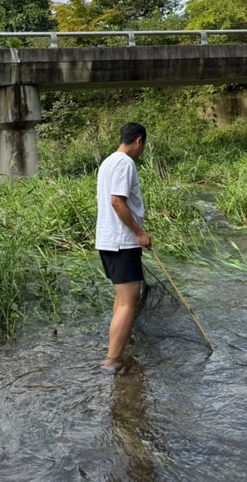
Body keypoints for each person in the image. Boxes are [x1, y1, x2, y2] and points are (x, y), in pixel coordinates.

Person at [95, 122, 152, 374]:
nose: (142, 151)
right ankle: (112, 360)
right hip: (122, 242)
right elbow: (117, 201)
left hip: (108, 241)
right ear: (139, 141)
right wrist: (140, 233)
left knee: (121, 299)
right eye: (143, 146)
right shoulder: (124, 163)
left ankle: (118, 346)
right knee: (130, 302)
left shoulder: (108, 162)